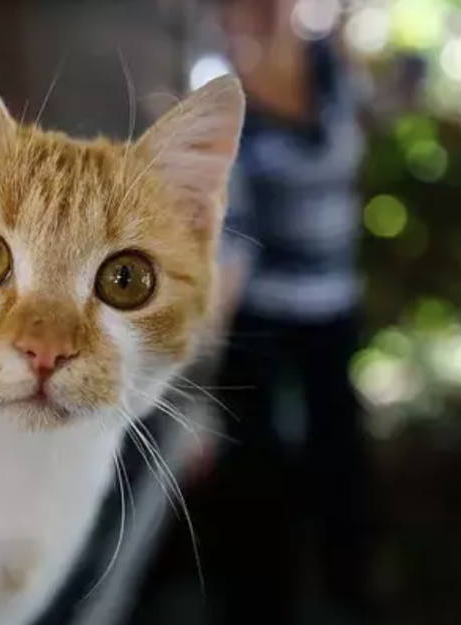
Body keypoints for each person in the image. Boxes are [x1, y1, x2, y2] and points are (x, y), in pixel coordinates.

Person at [198, 1, 374, 624]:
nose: (256, 13)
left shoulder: (338, 69)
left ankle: (349, 593)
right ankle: (260, 606)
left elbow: (373, 125)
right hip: (262, 313)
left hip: (334, 303)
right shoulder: (224, 99)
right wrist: (202, 353)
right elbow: (231, 236)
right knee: (257, 468)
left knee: (341, 457)